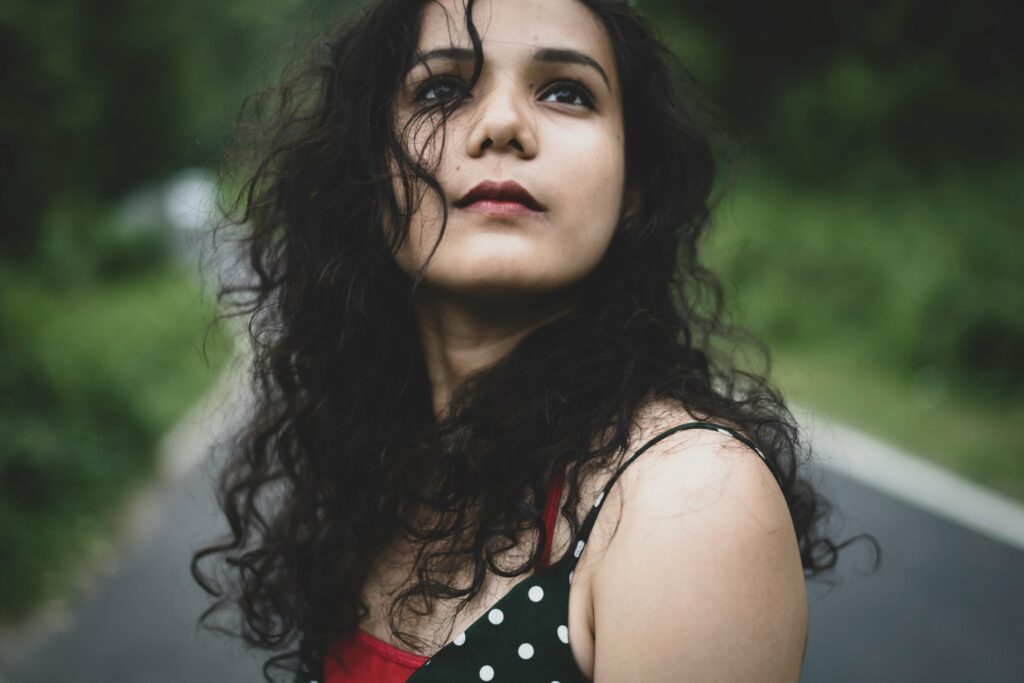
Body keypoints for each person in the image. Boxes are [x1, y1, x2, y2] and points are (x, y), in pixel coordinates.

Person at [192, 1, 859, 681]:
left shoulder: (687, 501)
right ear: (371, 175)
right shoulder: (381, 475)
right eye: (443, 89)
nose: (504, 125)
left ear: (632, 186)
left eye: (567, 92)